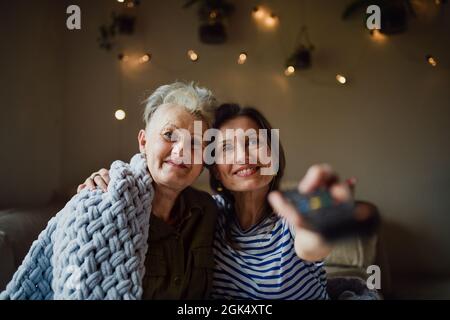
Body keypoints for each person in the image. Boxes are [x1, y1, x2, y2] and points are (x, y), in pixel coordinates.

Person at [83, 103, 355, 300]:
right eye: (225, 148)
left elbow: (312, 246)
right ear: (214, 170)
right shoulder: (207, 213)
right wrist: (113, 179)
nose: (243, 156)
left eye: (253, 142)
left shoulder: (292, 212)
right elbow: (154, 190)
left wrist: (319, 222)